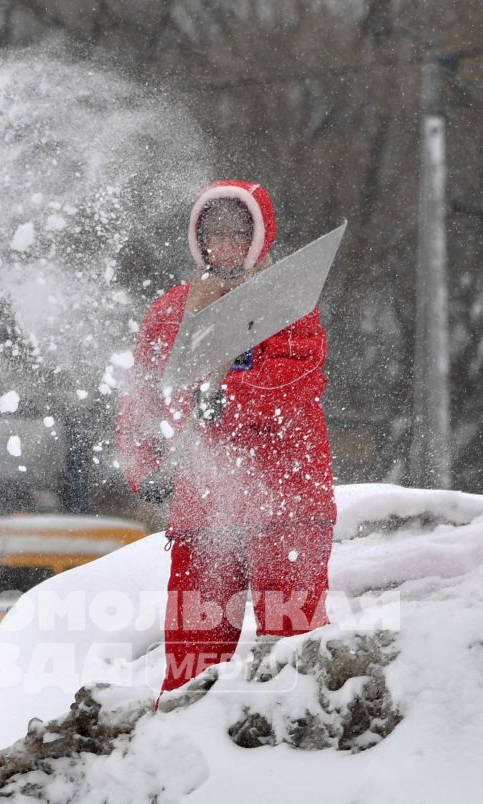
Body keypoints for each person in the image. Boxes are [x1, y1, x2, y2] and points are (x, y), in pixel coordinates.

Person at [115, 180, 336, 694]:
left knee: (293, 654)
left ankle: (297, 764)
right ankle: (181, 755)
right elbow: (140, 396)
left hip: (288, 508)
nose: (225, 242)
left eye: (239, 232)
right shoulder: (172, 311)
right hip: (203, 513)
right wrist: (145, 466)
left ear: (259, 238)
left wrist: (230, 396)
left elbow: (298, 378)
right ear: (198, 238)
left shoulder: (289, 301)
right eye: (213, 231)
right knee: (191, 662)